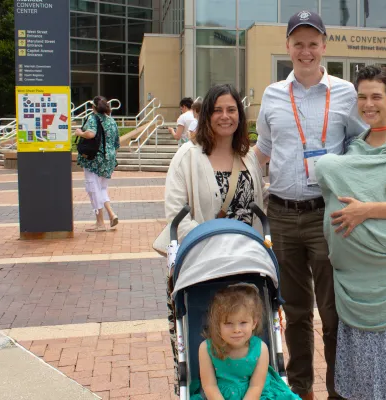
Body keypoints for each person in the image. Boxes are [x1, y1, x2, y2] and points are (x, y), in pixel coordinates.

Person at [254, 10, 367, 400]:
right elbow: (264, 151)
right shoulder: (271, 95)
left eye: (312, 43)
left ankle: (340, 391)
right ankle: (301, 391)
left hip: (328, 214)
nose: (306, 51)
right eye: (298, 43)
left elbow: (360, 146)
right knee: (296, 313)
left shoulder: (346, 94)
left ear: (324, 45)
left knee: (335, 313)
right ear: (288, 46)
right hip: (282, 215)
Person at [314, 65, 386, 399]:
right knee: (361, 363)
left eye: (376, 97)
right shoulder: (354, 145)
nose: (368, 104)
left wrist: (365, 210)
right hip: (355, 277)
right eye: (362, 97)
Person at [153, 84, 267, 395]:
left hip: (244, 264)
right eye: (217, 110)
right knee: (199, 337)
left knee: (242, 335)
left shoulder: (247, 157)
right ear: (206, 115)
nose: (225, 116)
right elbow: (177, 212)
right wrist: (213, 244)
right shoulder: (187, 157)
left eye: (232, 110)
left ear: (240, 116)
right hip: (199, 263)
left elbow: (257, 208)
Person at [193, 284, 299, 400]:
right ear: (218, 325)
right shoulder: (206, 348)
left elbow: (256, 386)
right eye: (228, 323)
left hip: (255, 394)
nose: (236, 330)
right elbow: (209, 386)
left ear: (254, 323)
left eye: (243, 323)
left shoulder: (260, 349)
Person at [74, 96, 120, 232]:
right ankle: (111, 214)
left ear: (93, 107)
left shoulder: (93, 118)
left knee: (93, 189)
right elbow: (117, 143)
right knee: (101, 188)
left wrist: (80, 133)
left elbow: (91, 134)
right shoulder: (112, 121)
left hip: (94, 159)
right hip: (109, 160)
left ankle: (100, 222)